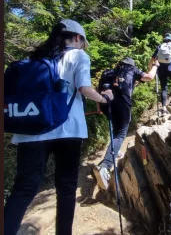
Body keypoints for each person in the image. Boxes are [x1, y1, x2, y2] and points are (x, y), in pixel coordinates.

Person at [4, 19, 114, 235]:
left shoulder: (35, 59)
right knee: (66, 187)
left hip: (31, 129)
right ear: (77, 38)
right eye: (83, 41)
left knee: (24, 188)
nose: (84, 46)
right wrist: (104, 98)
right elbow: (84, 88)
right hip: (68, 129)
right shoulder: (78, 55)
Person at [93, 57, 159, 190]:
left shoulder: (108, 73)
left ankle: (114, 151)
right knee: (121, 134)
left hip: (105, 105)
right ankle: (105, 166)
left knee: (116, 129)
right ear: (131, 65)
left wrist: (99, 107)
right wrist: (156, 65)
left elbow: (97, 89)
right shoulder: (132, 70)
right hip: (122, 107)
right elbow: (150, 77)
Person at [149, 33, 171, 115]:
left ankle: (164, 108)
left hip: (161, 69)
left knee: (164, 88)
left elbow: (153, 58)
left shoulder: (160, 46)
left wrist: (150, 69)